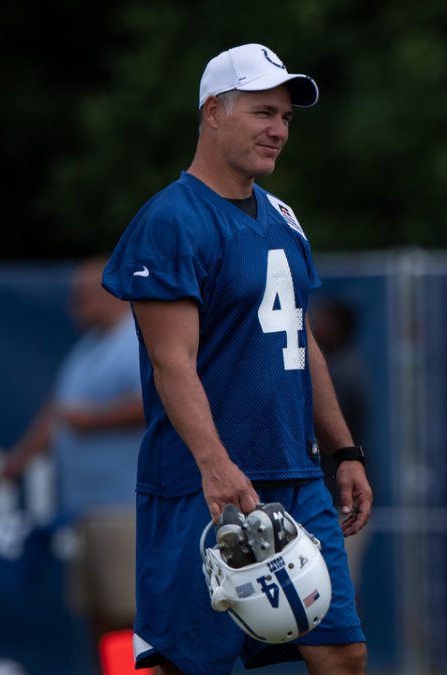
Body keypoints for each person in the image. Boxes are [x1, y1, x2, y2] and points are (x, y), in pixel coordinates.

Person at [101, 43, 372, 675]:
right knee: (189, 664)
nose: (278, 129)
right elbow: (173, 362)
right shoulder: (170, 220)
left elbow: (302, 345)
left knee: (342, 652)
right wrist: (214, 464)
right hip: (205, 483)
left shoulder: (282, 216)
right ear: (214, 112)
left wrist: (345, 452)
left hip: (294, 474)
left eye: (285, 117)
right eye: (262, 112)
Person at [2, 255, 145, 660]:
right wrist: (20, 459)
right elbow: (58, 411)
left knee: (129, 617)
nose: (72, 305)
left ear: (112, 293)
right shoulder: (86, 348)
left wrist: (91, 419)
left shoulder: (136, 340)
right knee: (98, 617)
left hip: (125, 509)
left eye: (80, 295)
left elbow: (155, 404)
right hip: (84, 510)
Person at [311, 296, 374, 589]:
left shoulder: (340, 373)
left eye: (323, 317)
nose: (315, 322)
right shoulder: (340, 365)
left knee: (337, 586)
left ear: (338, 327)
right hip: (331, 498)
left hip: (340, 502)